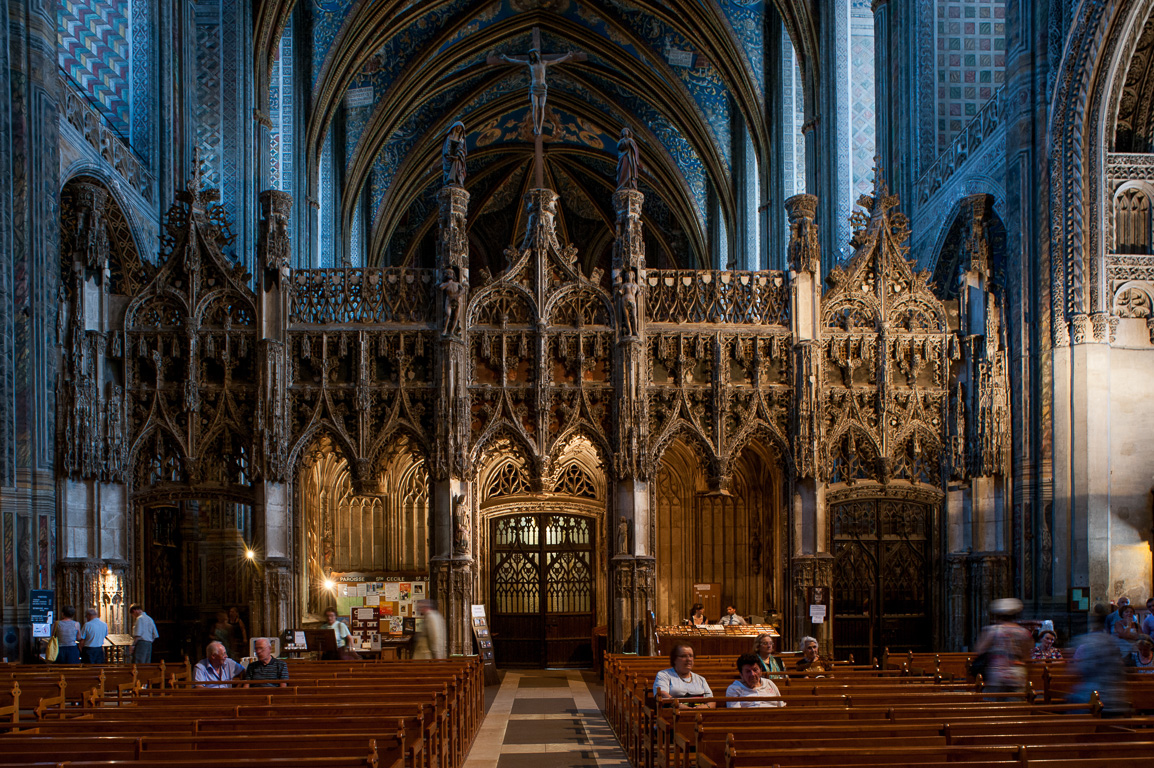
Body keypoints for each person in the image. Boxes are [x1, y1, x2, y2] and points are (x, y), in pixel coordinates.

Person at [1070, 603, 1127, 714]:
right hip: (1116, 697)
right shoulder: (1113, 642)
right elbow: (1121, 669)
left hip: (1094, 696)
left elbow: (1081, 670)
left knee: (1072, 703)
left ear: (1093, 625)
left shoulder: (1089, 641)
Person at [973, 598, 1032, 694]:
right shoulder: (1023, 633)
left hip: (996, 674)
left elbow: (980, 649)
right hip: (1017, 675)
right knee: (1015, 706)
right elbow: (1027, 656)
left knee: (992, 705)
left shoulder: (992, 631)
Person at [652, 643, 714, 708]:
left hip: (700, 714)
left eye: (691, 656)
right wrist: (680, 706)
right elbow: (662, 694)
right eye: (683, 656)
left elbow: (712, 701)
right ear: (674, 659)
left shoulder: (701, 679)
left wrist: (701, 708)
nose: (688, 659)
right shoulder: (664, 675)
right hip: (674, 714)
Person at [442, 121, 467, 186]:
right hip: (449, 157)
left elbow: (461, 149)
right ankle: (450, 180)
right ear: (454, 128)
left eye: (460, 128)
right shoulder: (449, 137)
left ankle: (455, 180)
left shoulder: (461, 139)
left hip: (457, 157)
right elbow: (447, 148)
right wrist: (448, 155)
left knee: (457, 162)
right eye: (457, 127)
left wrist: (457, 156)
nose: (459, 129)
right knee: (452, 164)